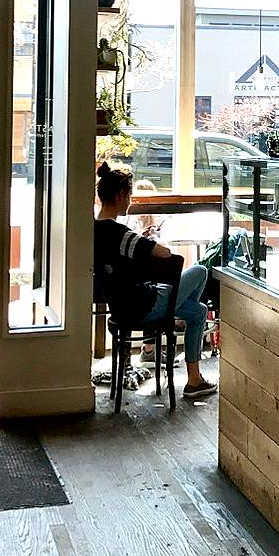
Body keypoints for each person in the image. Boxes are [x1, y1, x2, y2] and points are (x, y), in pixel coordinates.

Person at [94, 162, 216, 401]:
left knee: (198, 311)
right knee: (200, 270)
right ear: (120, 195)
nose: (130, 201)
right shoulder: (120, 234)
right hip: (143, 306)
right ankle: (192, 376)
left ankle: (195, 379)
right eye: (129, 195)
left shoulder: (93, 230)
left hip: (121, 307)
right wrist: (150, 239)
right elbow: (165, 254)